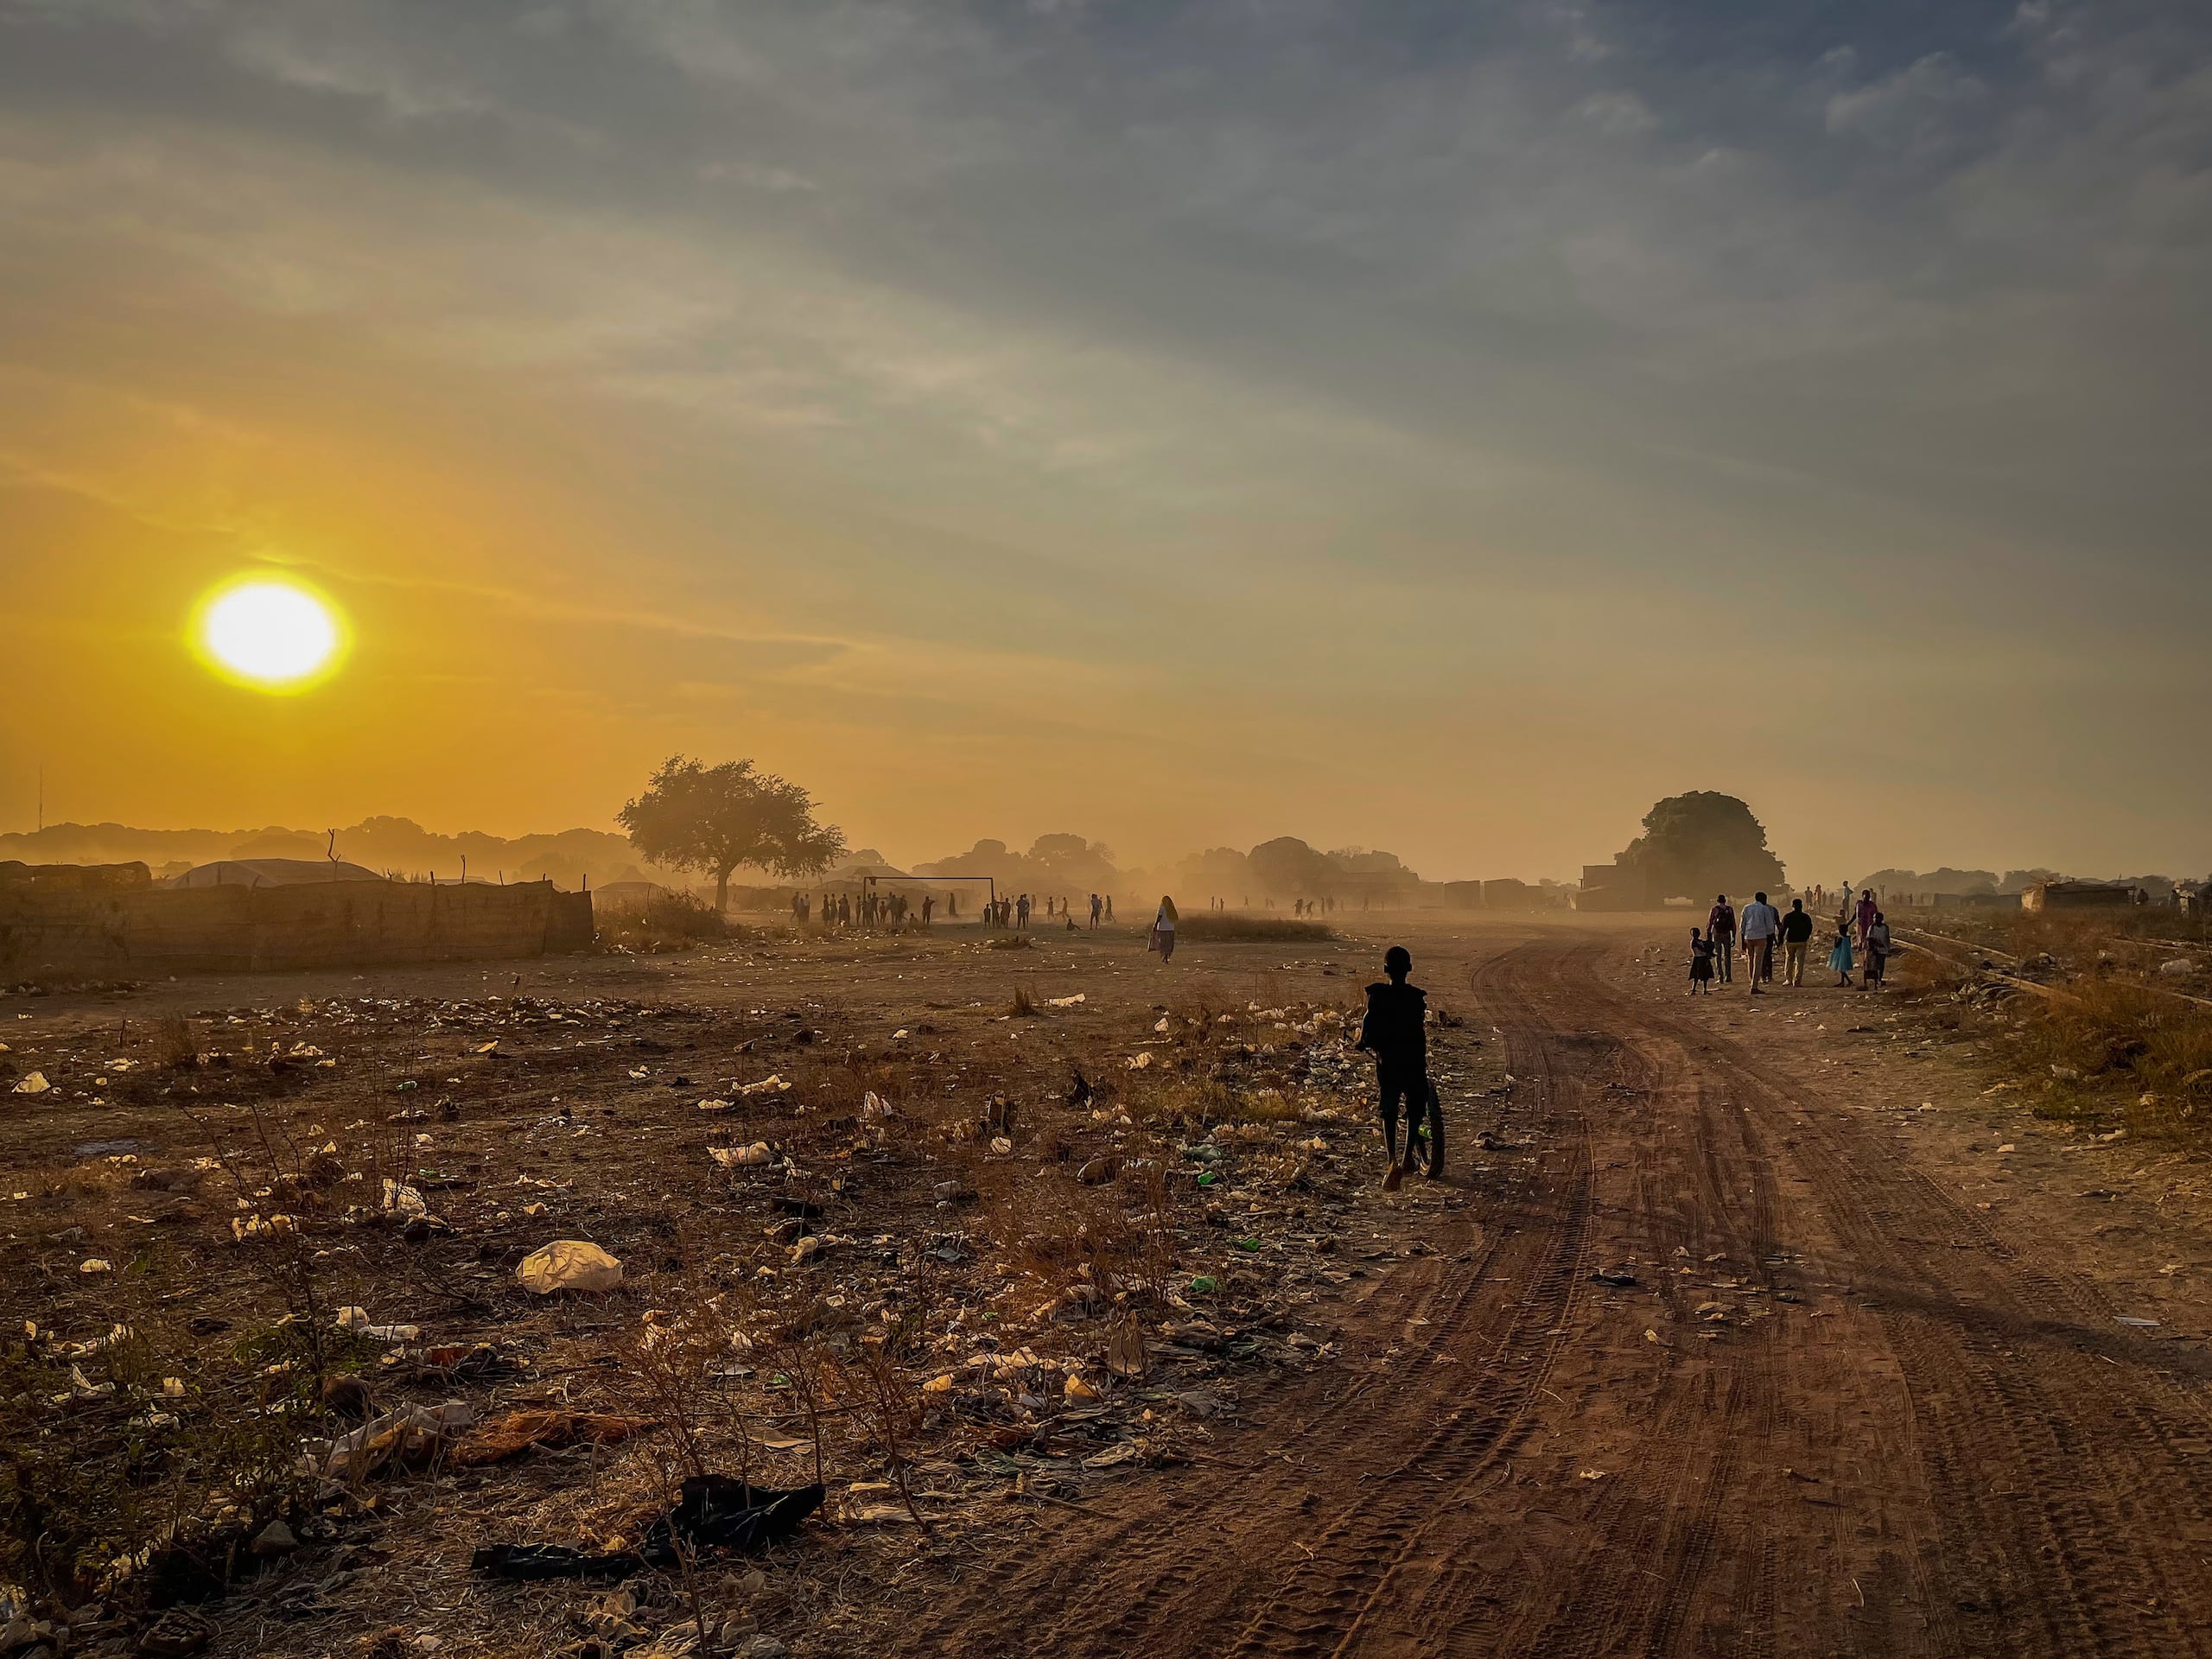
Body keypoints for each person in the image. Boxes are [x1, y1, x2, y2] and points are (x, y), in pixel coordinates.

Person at [1357, 945, 1434, 1190]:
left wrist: (1361, 1042)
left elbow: (1368, 1021)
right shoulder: (1416, 997)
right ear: (1409, 969)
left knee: (1388, 1109)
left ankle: (1392, 1160)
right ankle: (1406, 1157)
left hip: (1388, 1061)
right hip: (1413, 1062)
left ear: (1385, 970)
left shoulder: (1378, 995)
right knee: (1414, 1110)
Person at [1739, 891, 1780, 995]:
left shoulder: (1747, 908)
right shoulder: (1764, 908)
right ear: (1764, 899)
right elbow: (1770, 926)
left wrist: (1742, 939)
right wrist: (1769, 936)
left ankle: (1751, 981)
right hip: (1761, 936)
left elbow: (1742, 925)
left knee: (1750, 959)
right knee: (1758, 962)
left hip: (1748, 936)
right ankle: (1754, 986)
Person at [1780, 899, 1815, 987]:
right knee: (1799, 961)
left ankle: (1788, 979)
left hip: (1790, 941)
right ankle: (1797, 980)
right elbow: (1810, 928)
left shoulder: (1788, 916)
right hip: (1801, 941)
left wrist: (1780, 940)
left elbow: (1782, 930)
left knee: (1789, 960)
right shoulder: (1806, 917)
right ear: (1801, 906)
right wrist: (1806, 937)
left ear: (1793, 906)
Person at [1707, 895, 1737, 984]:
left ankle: (1720, 976)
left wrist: (1709, 936)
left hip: (1717, 934)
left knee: (1718, 955)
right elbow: (1733, 923)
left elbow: (1710, 923)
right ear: (1725, 901)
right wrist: (1734, 937)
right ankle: (1728, 976)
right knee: (1727, 955)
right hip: (1727, 934)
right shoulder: (1730, 909)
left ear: (1717, 901)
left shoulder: (1714, 909)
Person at [1865, 910, 1892, 989]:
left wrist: (1888, 948)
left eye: (1878, 918)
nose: (1876, 920)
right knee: (1875, 965)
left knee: (1881, 964)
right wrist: (1872, 948)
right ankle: (1876, 980)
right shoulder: (1872, 928)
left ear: (1882, 919)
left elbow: (1887, 938)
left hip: (1883, 949)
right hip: (1874, 949)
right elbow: (1869, 939)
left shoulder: (1885, 928)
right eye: (1874, 918)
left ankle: (1879, 979)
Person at [1149, 895, 1179, 962]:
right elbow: (1176, 918)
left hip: (1163, 929)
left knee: (1163, 943)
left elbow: (1159, 918)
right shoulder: (1172, 909)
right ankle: (1166, 957)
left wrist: (1155, 925)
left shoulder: (1162, 908)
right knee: (1169, 943)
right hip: (1171, 929)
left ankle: (1164, 957)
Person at [1827, 919, 1855, 986]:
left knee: (1842, 970)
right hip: (1846, 954)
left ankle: (1849, 981)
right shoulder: (1848, 938)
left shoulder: (1840, 938)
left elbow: (1836, 946)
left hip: (1839, 955)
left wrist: (1835, 940)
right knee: (1842, 969)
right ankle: (1842, 982)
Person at [1688, 927, 1714, 995]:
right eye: (1694, 933)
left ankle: (1704, 990)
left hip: (1703, 958)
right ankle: (1694, 989)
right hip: (1698, 959)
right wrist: (1710, 953)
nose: (1695, 935)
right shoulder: (1694, 942)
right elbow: (1702, 949)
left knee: (1705, 976)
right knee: (1696, 976)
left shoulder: (1700, 941)